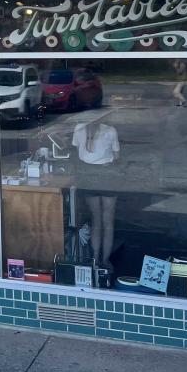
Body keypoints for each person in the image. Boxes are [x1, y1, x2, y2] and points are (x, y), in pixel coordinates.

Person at [72, 112, 120, 270]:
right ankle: (105, 261)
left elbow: (77, 153)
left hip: (87, 175)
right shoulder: (110, 130)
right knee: (108, 221)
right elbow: (117, 155)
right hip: (107, 174)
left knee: (96, 219)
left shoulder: (79, 129)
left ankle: (94, 258)